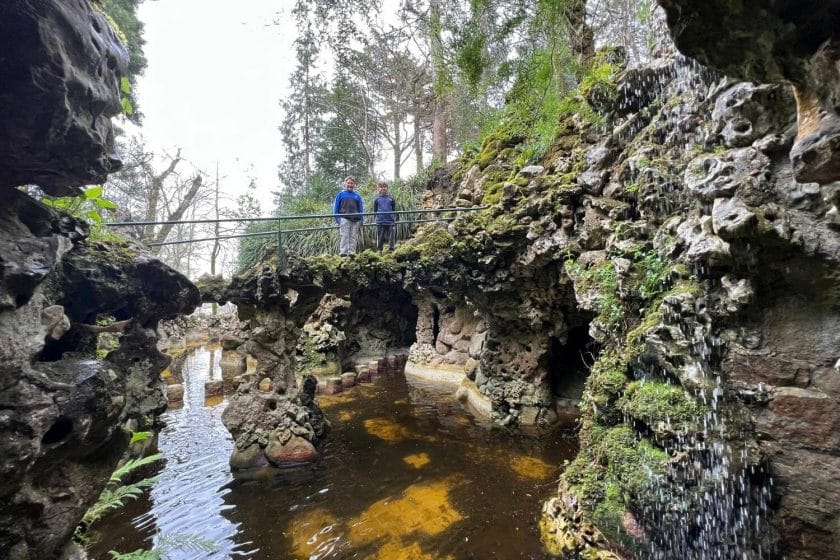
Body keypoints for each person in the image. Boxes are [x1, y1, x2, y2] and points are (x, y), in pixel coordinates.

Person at [333, 175, 364, 256]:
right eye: (348, 183)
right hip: (344, 219)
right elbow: (335, 207)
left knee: (353, 238)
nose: (350, 184)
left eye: (352, 183)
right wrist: (338, 219)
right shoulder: (340, 194)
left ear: (354, 185)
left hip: (355, 220)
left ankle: (352, 254)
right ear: (345, 183)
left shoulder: (357, 196)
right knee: (344, 237)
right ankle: (343, 254)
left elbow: (361, 208)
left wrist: (361, 220)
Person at [373, 181, 397, 251]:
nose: (383, 188)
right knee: (380, 237)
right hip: (380, 221)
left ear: (387, 188)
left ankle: (391, 250)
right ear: (378, 189)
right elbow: (375, 210)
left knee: (391, 237)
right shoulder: (376, 199)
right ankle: (379, 251)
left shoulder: (391, 199)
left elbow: (393, 209)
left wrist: (394, 218)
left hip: (390, 221)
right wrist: (377, 219)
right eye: (381, 187)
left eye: (384, 187)